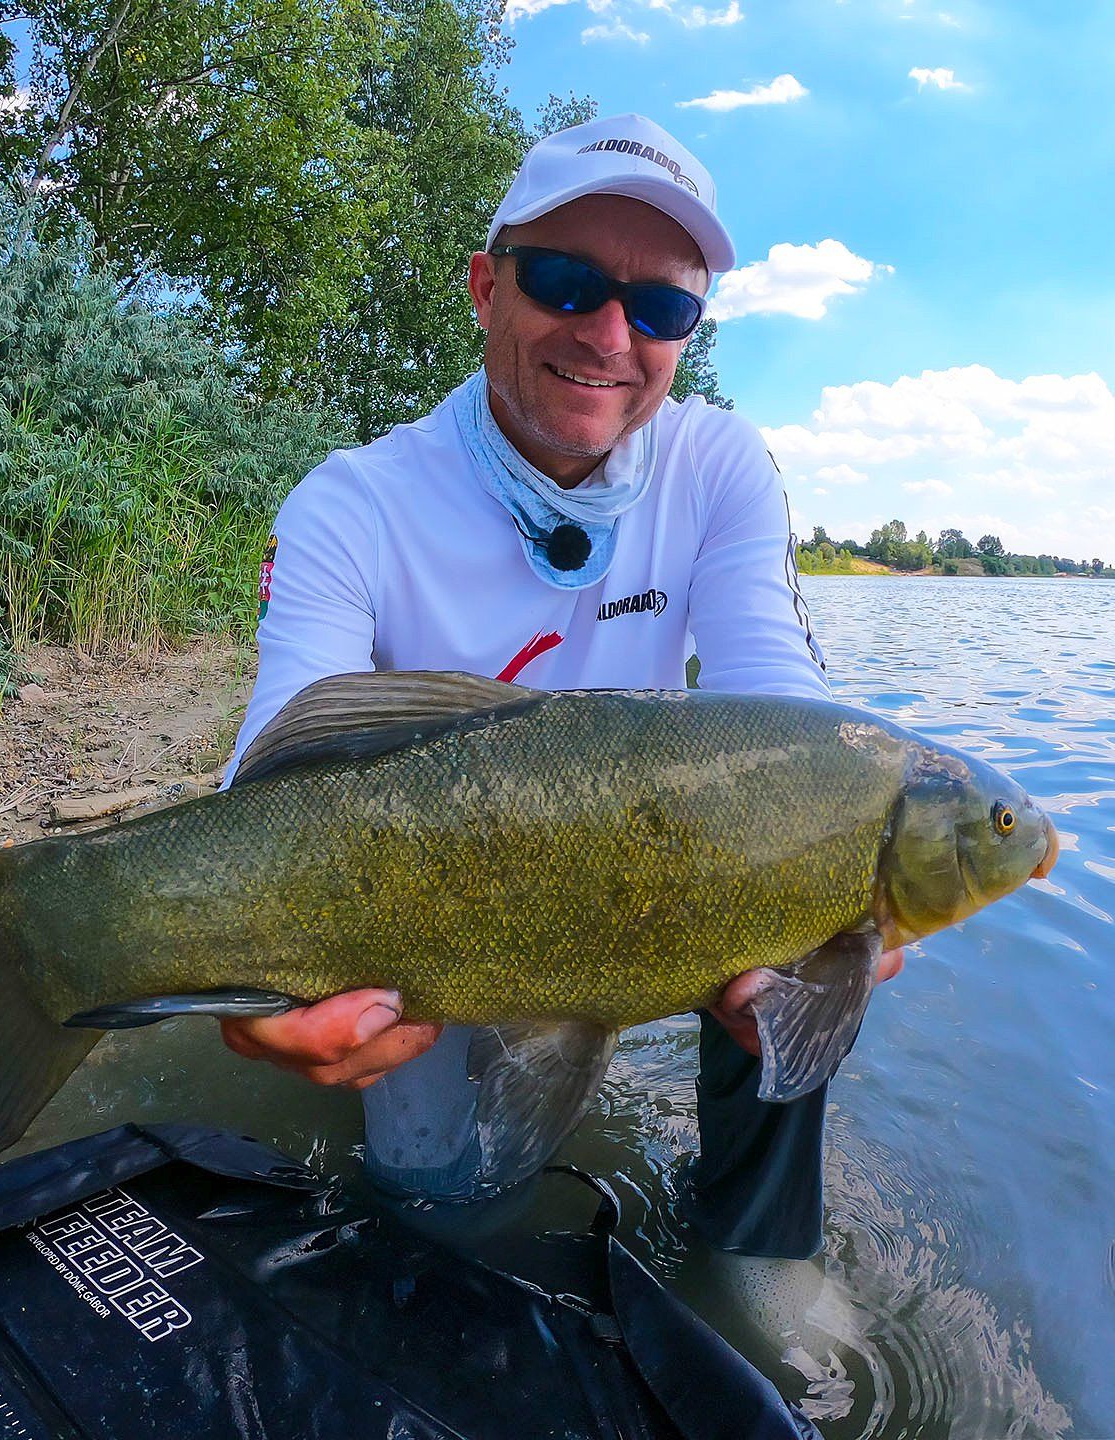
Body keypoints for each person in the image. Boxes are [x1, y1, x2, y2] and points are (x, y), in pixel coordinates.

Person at [214, 114, 900, 1258]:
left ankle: (759, 1262)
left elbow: (789, 712)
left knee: (816, 931)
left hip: (654, 861)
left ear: (690, 333)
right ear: (487, 288)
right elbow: (271, 767)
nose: (609, 333)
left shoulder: (719, 463)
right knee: (445, 1208)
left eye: (662, 307)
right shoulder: (352, 503)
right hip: (422, 893)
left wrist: (849, 858)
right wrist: (249, 984)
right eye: (567, 281)